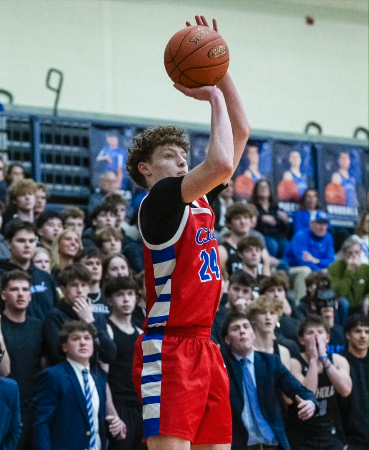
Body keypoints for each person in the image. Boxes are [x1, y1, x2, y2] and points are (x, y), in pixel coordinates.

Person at [126, 18, 251, 447]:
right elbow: (218, 165)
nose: (182, 161)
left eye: (184, 154)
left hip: (206, 344)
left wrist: (221, 69)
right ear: (146, 169)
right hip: (170, 346)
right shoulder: (158, 202)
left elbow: (241, 134)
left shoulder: (197, 201)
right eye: (170, 155)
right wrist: (212, 97)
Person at [219, 312, 317, 450]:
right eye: (236, 329)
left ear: (253, 335)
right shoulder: (221, 367)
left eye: (246, 327)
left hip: (273, 444)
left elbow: (297, 388)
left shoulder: (270, 362)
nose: (242, 331)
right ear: (227, 340)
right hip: (241, 445)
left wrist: (310, 402)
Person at [33, 321, 112, 450]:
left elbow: (95, 421)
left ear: (93, 344)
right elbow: (41, 422)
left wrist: (113, 427)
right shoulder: (53, 375)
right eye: (76, 338)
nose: (83, 342)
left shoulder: (99, 378)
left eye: (87, 338)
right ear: (65, 347)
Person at [287, 315, 353, 450]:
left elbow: (345, 390)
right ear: (302, 340)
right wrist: (313, 361)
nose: (316, 337)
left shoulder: (338, 360)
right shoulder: (294, 362)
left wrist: (324, 359)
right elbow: (306, 395)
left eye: (320, 332)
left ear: (327, 338)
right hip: (301, 435)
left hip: (328, 432)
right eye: (310, 333)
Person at [0, 270, 42, 449]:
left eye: (25, 289)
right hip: (4, 407)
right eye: (15, 289)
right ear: (3, 294)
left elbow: (45, 365)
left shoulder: (38, 326)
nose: (21, 294)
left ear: (31, 295)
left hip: (34, 408)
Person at [42, 264, 116, 367]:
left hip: (94, 377)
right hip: (67, 377)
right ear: (63, 290)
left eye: (84, 285)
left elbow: (109, 355)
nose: (80, 290)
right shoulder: (54, 316)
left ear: (88, 289)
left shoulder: (96, 316)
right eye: (74, 285)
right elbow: (58, 356)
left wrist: (90, 321)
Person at [103, 276, 145, 450]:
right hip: (119, 407)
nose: (126, 299)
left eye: (130, 294)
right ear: (109, 300)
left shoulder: (141, 332)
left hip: (141, 408)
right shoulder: (106, 329)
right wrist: (112, 414)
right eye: (120, 294)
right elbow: (102, 377)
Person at [0, 220, 59, 321]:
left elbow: (55, 310)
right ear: (8, 244)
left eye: (31, 241)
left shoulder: (45, 276)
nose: (27, 245)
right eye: (21, 241)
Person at [285, 210, 334, 300]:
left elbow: (331, 261)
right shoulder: (301, 235)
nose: (322, 227)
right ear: (311, 224)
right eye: (319, 223)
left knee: (332, 272)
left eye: (325, 223)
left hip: (315, 269)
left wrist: (316, 260)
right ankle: (300, 305)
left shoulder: (328, 237)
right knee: (305, 270)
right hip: (291, 270)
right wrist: (319, 270)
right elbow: (302, 262)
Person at [339, 315, 368, 450]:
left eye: (367, 332)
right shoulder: (338, 363)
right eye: (358, 331)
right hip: (350, 441)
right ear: (348, 335)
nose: (363, 336)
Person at [248, 295, 298, 370]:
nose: (268, 317)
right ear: (253, 318)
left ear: (277, 318)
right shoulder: (246, 350)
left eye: (272, 313)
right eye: (263, 313)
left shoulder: (283, 352)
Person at [328, 235, 368, 316]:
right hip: (341, 305)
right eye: (350, 253)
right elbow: (340, 293)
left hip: (360, 304)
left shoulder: (366, 268)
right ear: (343, 254)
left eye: (357, 252)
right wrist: (349, 272)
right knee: (343, 302)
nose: (354, 256)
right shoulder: (334, 268)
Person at [250, 179, 288, 258]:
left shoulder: (275, 207)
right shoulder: (253, 207)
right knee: (272, 245)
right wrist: (261, 219)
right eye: (261, 187)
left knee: (285, 245)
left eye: (266, 187)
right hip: (262, 235)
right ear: (256, 191)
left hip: (277, 235)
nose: (263, 189)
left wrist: (285, 220)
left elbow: (283, 227)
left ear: (270, 191)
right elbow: (251, 225)